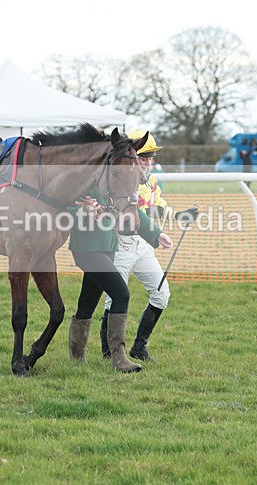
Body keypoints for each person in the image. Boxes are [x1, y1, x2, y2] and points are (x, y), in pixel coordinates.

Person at [68, 185, 172, 373]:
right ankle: (118, 357)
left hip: (108, 246)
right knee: (121, 294)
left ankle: (76, 357)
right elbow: (66, 208)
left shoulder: (112, 184)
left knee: (87, 303)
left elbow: (132, 212)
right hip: (88, 247)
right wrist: (86, 211)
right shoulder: (84, 178)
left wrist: (156, 234)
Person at [99, 129, 175, 362]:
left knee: (161, 293)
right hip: (120, 244)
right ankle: (109, 350)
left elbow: (158, 206)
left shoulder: (151, 181)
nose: (148, 163)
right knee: (114, 299)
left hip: (143, 246)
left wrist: (179, 215)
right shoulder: (120, 177)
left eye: (151, 158)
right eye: (144, 158)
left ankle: (139, 347)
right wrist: (156, 227)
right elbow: (138, 212)